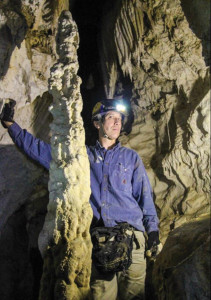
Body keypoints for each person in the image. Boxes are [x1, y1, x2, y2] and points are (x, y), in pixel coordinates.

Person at [1, 98, 161, 300]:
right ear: (97, 123)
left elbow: (144, 197)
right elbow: (46, 153)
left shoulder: (131, 158)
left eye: (119, 119)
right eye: (111, 118)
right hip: (101, 243)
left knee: (135, 296)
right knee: (101, 296)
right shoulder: (83, 156)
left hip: (133, 240)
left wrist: (153, 230)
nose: (116, 123)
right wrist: (11, 126)